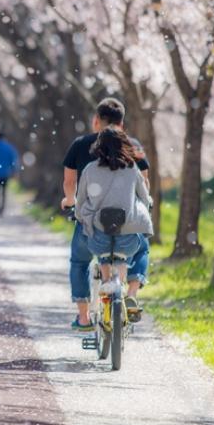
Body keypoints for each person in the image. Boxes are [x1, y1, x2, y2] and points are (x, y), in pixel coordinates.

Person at [62, 97, 150, 332]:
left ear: (96, 121)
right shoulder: (132, 148)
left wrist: (70, 204)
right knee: (141, 246)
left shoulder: (82, 147)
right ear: (123, 123)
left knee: (79, 260)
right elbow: (145, 185)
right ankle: (130, 293)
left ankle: (83, 317)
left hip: (93, 224)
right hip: (125, 224)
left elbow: (71, 184)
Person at [75, 128, 153, 299]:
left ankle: (105, 285)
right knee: (124, 255)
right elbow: (145, 199)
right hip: (127, 233)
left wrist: (81, 216)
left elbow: (80, 200)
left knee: (103, 250)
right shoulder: (132, 168)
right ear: (124, 146)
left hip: (98, 235)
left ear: (98, 147)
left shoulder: (90, 169)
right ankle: (127, 295)